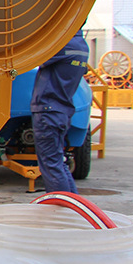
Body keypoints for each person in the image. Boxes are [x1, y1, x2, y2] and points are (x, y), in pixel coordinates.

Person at [30, 29, 89, 193]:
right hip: (61, 111)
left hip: (48, 111)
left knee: (51, 165)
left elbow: (30, 57)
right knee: (57, 162)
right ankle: (72, 206)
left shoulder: (63, 43)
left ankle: (61, 210)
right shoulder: (82, 46)